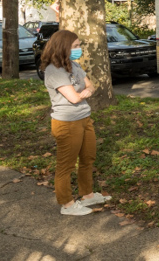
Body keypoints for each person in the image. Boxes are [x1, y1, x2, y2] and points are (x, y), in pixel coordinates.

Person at [40, 30, 111, 216]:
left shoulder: (74, 65)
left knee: (88, 157)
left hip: (84, 118)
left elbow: (91, 86)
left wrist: (84, 93)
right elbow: (73, 98)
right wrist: (83, 93)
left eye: (79, 45)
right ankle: (67, 204)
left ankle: (87, 195)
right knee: (66, 165)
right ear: (63, 47)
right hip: (67, 123)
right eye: (75, 46)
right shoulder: (53, 70)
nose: (79, 49)